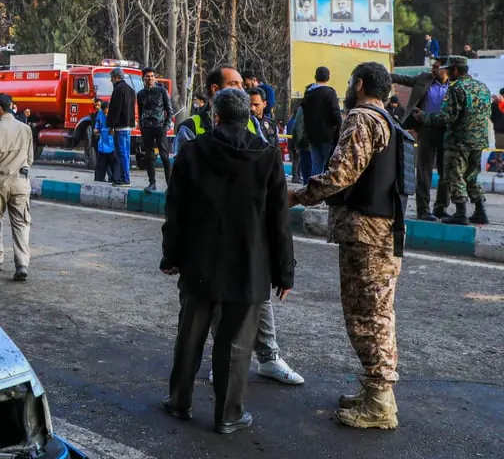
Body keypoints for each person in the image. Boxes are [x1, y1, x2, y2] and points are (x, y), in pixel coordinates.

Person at [161, 88, 294, 434]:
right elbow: (279, 220)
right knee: (236, 345)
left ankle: (179, 401)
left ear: (215, 117)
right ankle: (228, 415)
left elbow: (175, 210)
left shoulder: (192, 153)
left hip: (199, 263)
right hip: (249, 268)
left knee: (190, 336)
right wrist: (285, 272)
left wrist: (171, 256)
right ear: (248, 118)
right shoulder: (267, 156)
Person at [290, 61, 408, 429]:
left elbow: (341, 174)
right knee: (377, 313)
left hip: (366, 234)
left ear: (358, 84)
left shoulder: (361, 119)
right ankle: (376, 390)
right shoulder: (389, 120)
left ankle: (379, 403)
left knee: (366, 317)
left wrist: (299, 195)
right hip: (385, 231)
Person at [173, 66, 304, 386]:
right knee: (217, 303)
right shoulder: (192, 129)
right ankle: (223, 363)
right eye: (234, 85)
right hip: (208, 236)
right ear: (215, 91)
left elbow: (269, 190)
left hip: (248, 234)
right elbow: (180, 193)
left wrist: (282, 264)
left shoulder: (253, 126)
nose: (243, 89)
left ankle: (269, 357)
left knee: (258, 298)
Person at [414, 56, 492, 225]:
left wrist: (424, 117)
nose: (448, 72)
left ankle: (461, 213)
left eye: (449, 70)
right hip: (478, 141)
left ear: (455, 70)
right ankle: (480, 211)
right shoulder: (483, 88)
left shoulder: (457, 89)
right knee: (472, 176)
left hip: (459, 141)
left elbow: (447, 117)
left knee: (455, 176)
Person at [392, 59, 450, 220]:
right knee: (424, 171)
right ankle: (423, 210)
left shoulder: (455, 85)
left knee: (446, 172)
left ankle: (441, 207)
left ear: (447, 70)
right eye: (432, 66)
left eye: (437, 68)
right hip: (425, 129)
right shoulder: (424, 78)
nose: (433, 69)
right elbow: (402, 79)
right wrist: (383, 75)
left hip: (447, 131)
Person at [0, 94, 33, 281]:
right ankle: (22, 263)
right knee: (21, 222)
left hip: (0, 182)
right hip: (21, 182)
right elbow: (30, 159)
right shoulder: (26, 129)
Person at [136, 67, 173, 192]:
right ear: (143, 78)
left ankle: (170, 185)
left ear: (155, 77)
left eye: (152, 76)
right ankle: (152, 183)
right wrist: (141, 127)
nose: (150, 78)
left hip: (160, 127)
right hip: (147, 128)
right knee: (149, 157)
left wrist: (166, 126)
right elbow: (140, 112)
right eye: (147, 76)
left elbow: (169, 111)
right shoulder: (140, 94)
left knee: (164, 157)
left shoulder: (162, 91)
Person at [302, 66, 341, 173]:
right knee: (329, 166)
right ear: (328, 77)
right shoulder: (329, 93)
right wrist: (340, 128)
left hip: (312, 135)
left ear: (315, 77)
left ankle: (314, 187)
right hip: (328, 135)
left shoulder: (308, 93)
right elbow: (336, 113)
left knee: (316, 166)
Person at [106, 68, 136, 187]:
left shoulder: (118, 90)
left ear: (116, 77)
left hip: (120, 127)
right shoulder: (131, 89)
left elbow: (115, 110)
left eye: (112, 77)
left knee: (121, 153)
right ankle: (125, 176)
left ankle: (124, 178)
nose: (111, 80)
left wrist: (111, 126)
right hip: (128, 126)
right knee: (126, 153)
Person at [92, 100, 113, 183]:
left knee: (110, 161)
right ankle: (99, 177)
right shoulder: (100, 114)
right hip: (102, 141)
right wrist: (96, 129)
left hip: (110, 141)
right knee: (100, 161)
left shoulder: (112, 114)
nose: (105, 113)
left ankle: (111, 177)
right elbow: (97, 123)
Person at [491, 89, 504, 174]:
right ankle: (499, 169)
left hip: (499, 129)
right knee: (499, 151)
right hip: (499, 131)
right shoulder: (494, 104)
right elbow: (491, 116)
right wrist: (497, 124)